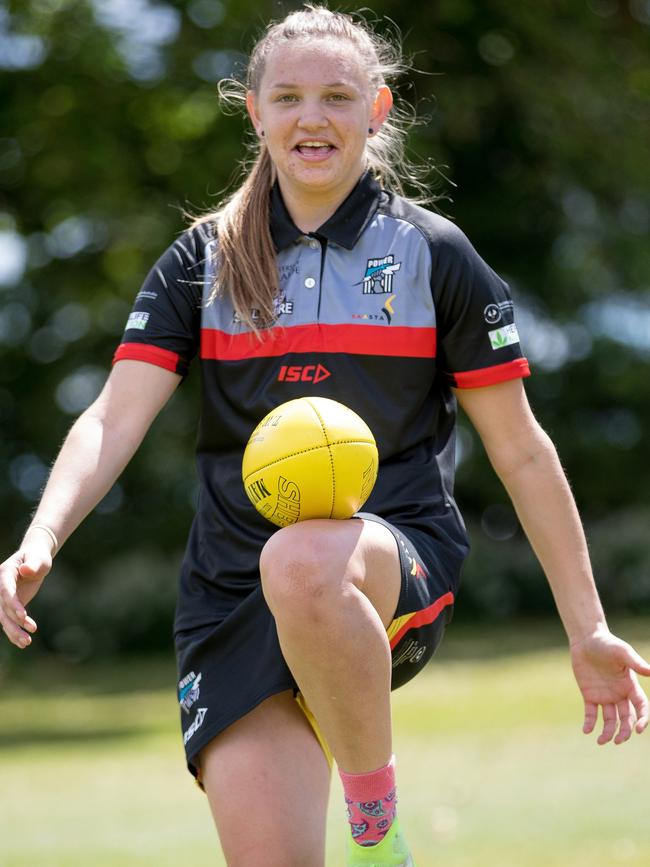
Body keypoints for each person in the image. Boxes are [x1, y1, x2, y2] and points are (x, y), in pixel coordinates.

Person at [1, 5, 649, 866]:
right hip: (231, 591)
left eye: (338, 96)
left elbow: (523, 449)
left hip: (389, 568)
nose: (314, 117)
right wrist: (41, 534)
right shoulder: (200, 260)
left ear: (377, 110)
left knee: (302, 559)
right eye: (292, 96)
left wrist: (587, 625)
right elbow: (114, 414)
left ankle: (376, 831)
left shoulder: (435, 254)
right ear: (256, 113)